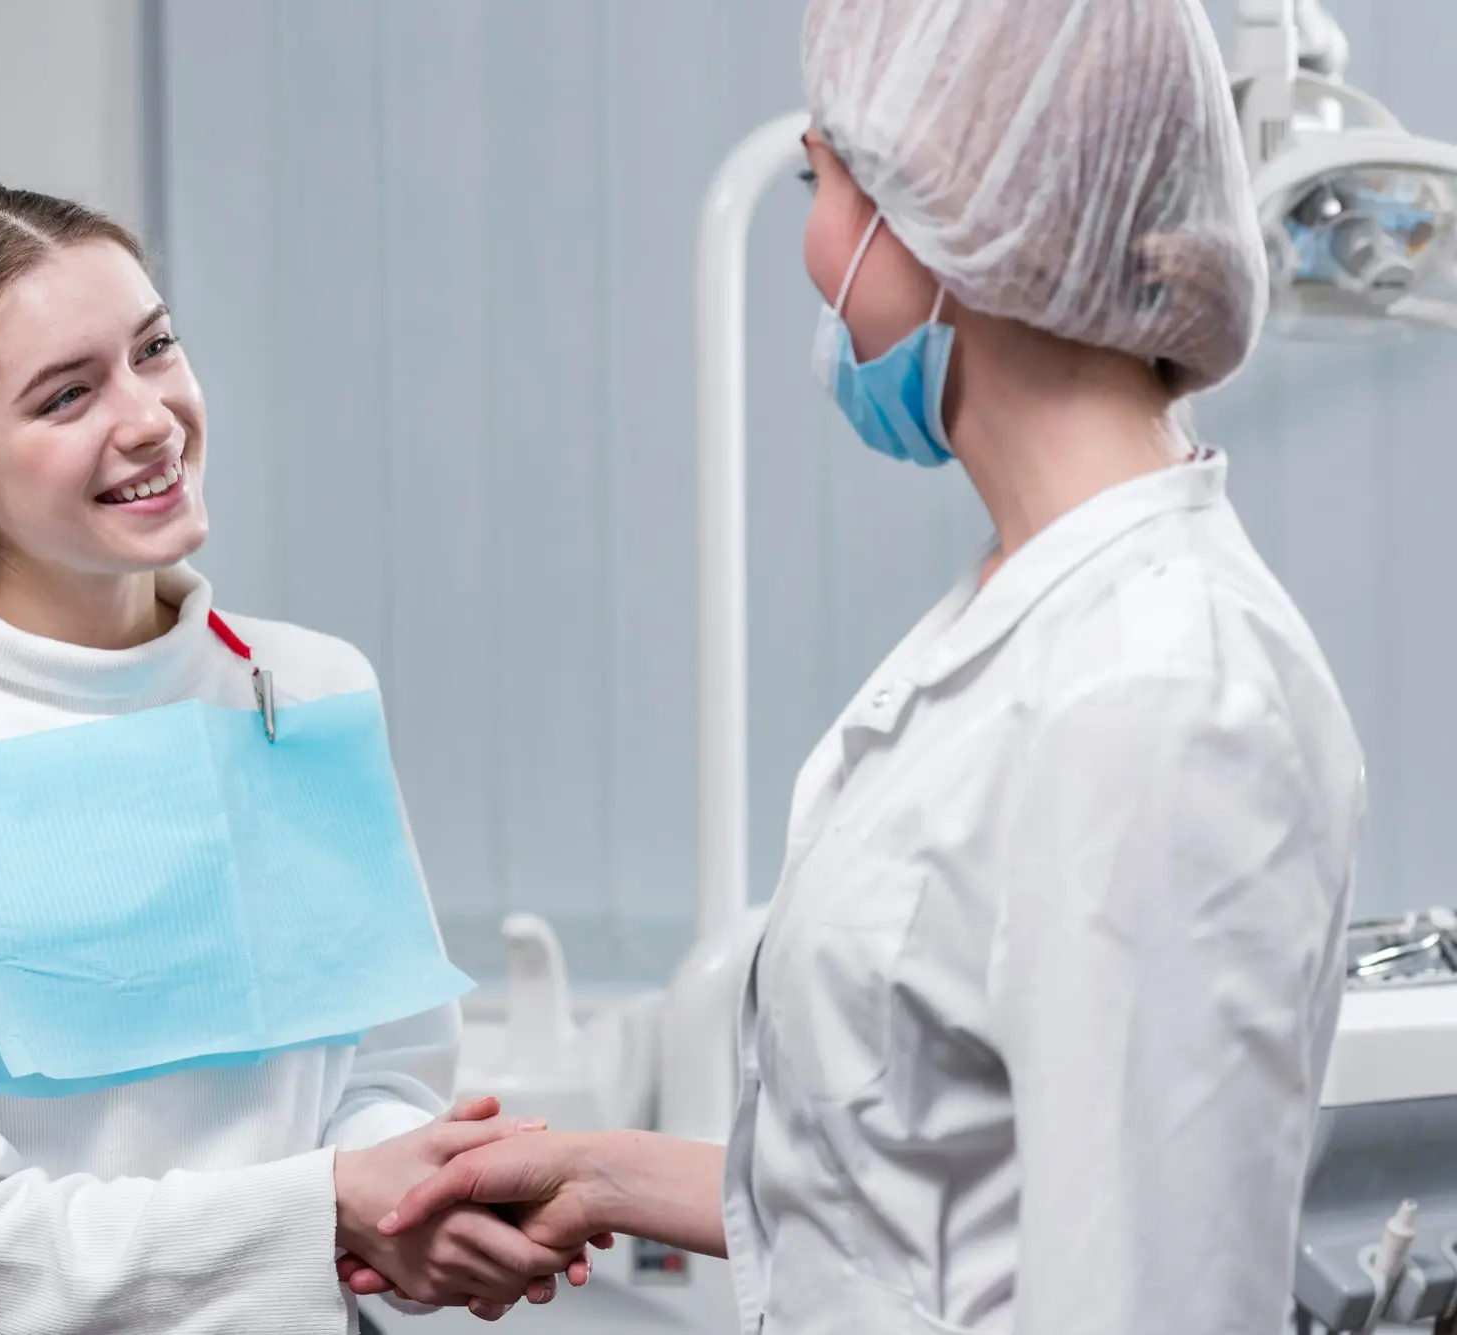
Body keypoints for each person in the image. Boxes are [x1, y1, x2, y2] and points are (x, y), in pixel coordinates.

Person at [365, 1, 1367, 1331]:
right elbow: (936, 1194)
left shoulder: (1161, 693)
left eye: (819, 178)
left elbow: (1146, 1293)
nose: (811, 245)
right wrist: (598, 1170)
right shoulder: (1033, 612)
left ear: (953, 217)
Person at [0, 184, 579, 1333]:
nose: (149, 418)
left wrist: (419, 1196)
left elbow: (384, 1073)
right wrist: (332, 1206)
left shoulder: (309, 694)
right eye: (67, 394)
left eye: (155, 348)